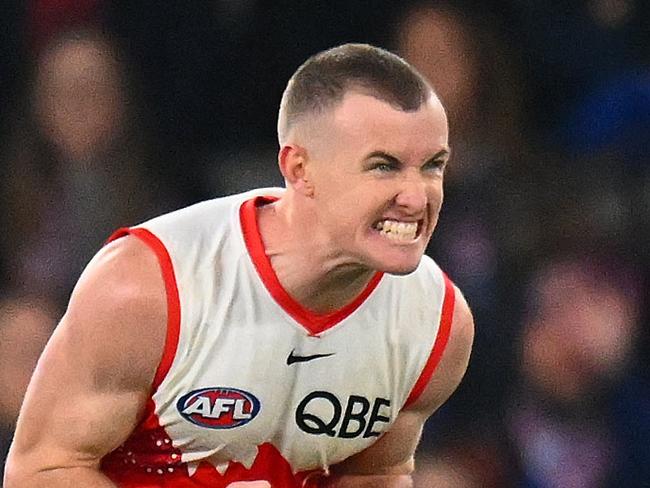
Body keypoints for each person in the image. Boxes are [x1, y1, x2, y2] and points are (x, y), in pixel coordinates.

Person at [4, 43, 474, 487]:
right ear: (299, 170)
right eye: (383, 166)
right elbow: (41, 471)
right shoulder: (150, 286)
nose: (417, 197)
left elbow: (376, 476)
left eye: (432, 165)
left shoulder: (436, 323)